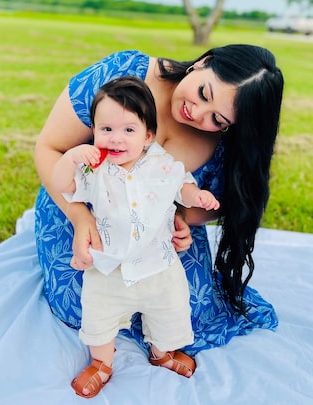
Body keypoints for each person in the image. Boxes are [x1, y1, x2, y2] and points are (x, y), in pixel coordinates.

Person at [34, 46, 284, 370]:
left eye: (217, 118)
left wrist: (179, 216)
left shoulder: (223, 141)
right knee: (79, 303)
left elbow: (222, 202)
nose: (198, 112)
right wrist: (82, 219)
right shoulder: (126, 73)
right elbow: (49, 147)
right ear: (202, 63)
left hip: (155, 233)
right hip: (78, 203)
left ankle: (160, 344)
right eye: (204, 93)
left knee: (191, 311)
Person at [51, 76, 220, 397]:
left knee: (170, 311)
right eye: (106, 129)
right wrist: (70, 158)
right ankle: (101, 362)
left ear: (148, 136)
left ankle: (162, 353)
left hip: (159, 264)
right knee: (99, 314)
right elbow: (63, 185)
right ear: (96, 130)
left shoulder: (162, 163)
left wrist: (197, 197)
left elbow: (182, 185)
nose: (116, 139)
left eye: (128, 130)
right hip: (109, 266)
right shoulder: (93, 168)